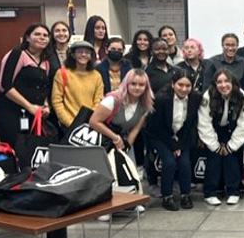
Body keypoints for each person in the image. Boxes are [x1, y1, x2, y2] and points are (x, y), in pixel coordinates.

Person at [88, 68, 153, 221]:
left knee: (128, 170)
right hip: (103, 140)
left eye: (141, 85)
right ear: (126, 84)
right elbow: (93, 121)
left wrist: (126, 146)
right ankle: (104, 209)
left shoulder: (145, 104)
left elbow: (136, 128)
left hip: (121, 140)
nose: (137, 88)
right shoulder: (113, 100)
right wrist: (115, 138)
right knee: (107, 175)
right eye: (133, 84)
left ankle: (130, 202)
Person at [0, 23, 59, 147]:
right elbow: (4, 85)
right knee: (15, 150)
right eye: (37, 34)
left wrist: (45, 105)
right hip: (11, 113)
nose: (42, 37)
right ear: (28, 37)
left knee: (31, 151)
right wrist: (29, 106)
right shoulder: (18, 54)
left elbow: (44, 87)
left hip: (33, 115)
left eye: (45, 35)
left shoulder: (46, 61)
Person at [146, 70, 200, 211]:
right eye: (180, 85)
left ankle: (185, 194)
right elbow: (157, 127)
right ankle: (167, 196)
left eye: (188, 86)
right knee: (169, 162)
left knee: (185, 163)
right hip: (160, 135)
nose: (184, 89)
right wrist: (173, 145)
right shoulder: (161, 99)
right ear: (172, 84)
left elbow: (189, 125)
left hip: (182, 135)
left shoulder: (195, 98)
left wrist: (179, 145)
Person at [198, 69, 244, 205]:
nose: (223, 85)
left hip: (233, 131)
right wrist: (214, 145)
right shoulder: (208, 96)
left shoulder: (242, 96)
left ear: (233, 82)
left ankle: (233, 191)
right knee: (213, 159)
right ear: (215, 84)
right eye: (219, 82)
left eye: (227, 81)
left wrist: (231, 146)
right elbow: (204, 122)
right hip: (213, 131)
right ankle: (210, 192)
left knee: (232, 158)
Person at [51, 41, 104, 129]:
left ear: (91, 56)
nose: (83, 55)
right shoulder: (62, 73)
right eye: (79, 52)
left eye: (87, 52)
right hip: (68, 125)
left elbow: (98, 101)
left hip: (90, 125)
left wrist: (89, 122)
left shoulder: (96, 75)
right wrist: (70, 123)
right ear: (73, 55)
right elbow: (57, 101)